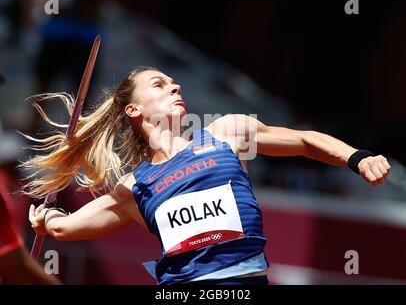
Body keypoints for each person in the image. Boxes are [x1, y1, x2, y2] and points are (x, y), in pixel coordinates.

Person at [25, 67, 391, 285]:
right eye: (159, 84)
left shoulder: (225, 134)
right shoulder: (135, 186)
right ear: (134, 109)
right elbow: (64, 228)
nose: (175, 86)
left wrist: (356, 157)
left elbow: (305, 141)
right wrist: (46, 218)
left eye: (174, 82)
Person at [0, 121, 59, 285]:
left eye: (16, 163)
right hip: (9, 249)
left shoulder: (21, 185)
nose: (15, 167)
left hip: (18, 244)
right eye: (11, 162)